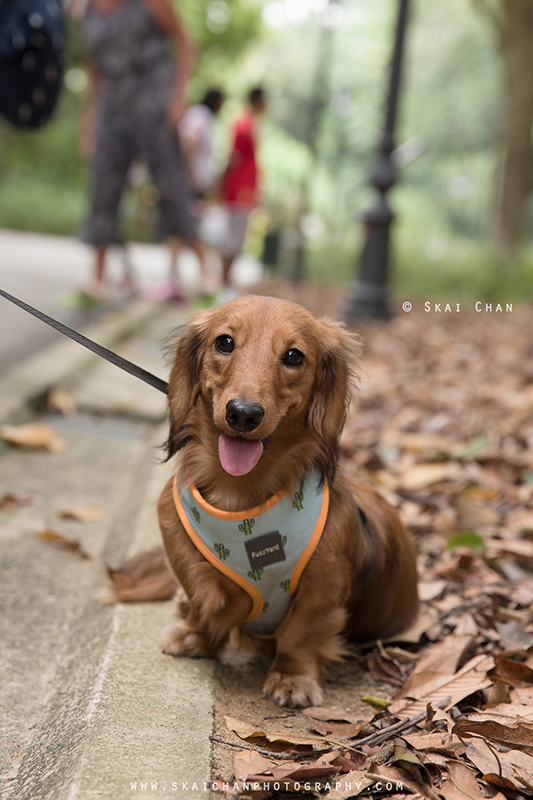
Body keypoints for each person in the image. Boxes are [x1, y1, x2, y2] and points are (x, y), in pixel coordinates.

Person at [80, 0, 207, 301]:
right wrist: (89, 123)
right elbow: (94, 66)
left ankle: (205, 273)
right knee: (103, 190)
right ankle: (96, 278)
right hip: (112, 111)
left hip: (154, 107)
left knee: (171, 188)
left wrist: (178, 97)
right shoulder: (86, 10)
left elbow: (186, 41)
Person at [218, 86, 267, 299]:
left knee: (239, 236)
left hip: (246, 188)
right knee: (233, 236)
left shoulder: (252, 123)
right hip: (239, 189)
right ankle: (224, 282)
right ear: (257, 99)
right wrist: (223, 186)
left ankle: (227, 281)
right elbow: (234, 157)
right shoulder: (243, 124)